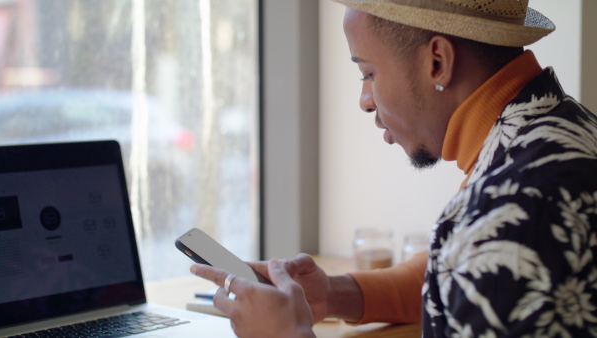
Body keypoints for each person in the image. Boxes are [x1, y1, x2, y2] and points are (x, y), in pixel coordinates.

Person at [191, 0, 597, 336]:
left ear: (437, 61)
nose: (365, 100)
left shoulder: (512, 218)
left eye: (368, 73)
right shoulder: (561, 129)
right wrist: (334, 294)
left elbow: (489, 254)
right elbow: (464, 273)